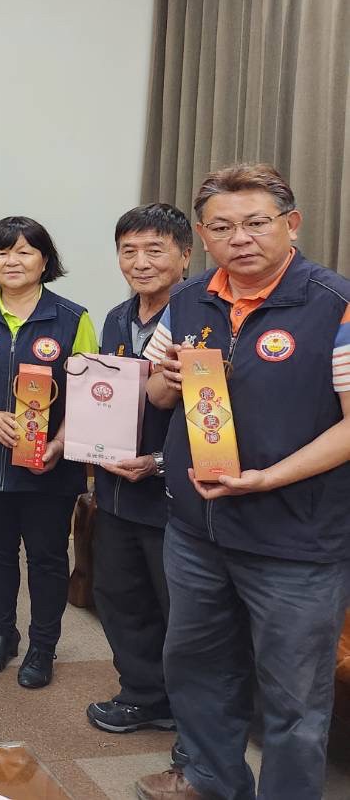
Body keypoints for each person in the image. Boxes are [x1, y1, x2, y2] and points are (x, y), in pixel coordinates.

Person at [134, 165, 350, 800]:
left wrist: (267, 478)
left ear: (292, 224)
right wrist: (168, 378)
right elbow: (156, 395)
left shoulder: (335, 304)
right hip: (197, 531)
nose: (241, 239)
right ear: (203, 236)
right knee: (197, 671)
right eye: (222, 227)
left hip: (295, 540)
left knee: (294, 701)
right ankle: (211, 780)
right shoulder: (188, 298)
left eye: (257, 223)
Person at [0, 216, 96, 690]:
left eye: (25, 251)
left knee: (47, 558)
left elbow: (88, 393)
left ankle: (43, 647)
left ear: (45, 261)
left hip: (49, 467)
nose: (13, 260)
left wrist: (61, 442)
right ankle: (1, 634)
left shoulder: (73, 318)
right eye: (2, 251)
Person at [86, 203, 191, 737]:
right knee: (119, 595)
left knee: (180, 608)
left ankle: (190, 714)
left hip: (176, 493)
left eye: (155, 250)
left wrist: (160, 461)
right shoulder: (116, 317)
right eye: (129, 251)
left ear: (185, 255)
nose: (141, 262)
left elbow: (221, 414)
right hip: (116, 488)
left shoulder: (200, 319)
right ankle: (142, 695)